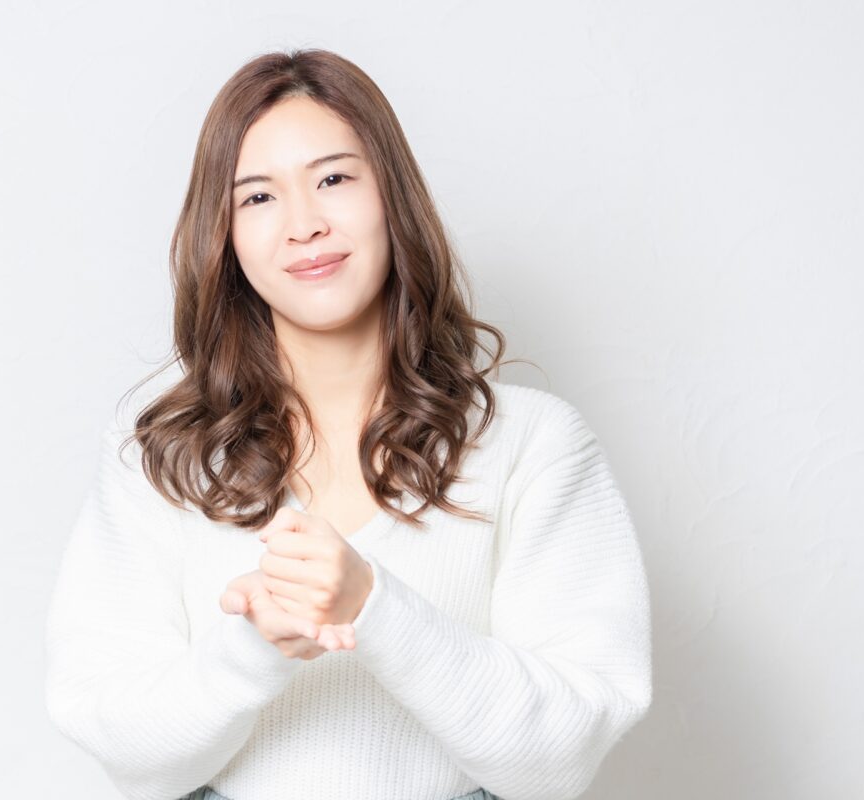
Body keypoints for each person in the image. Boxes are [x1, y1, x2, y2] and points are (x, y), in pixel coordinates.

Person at [43, 48, 652, 800]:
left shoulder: (534, 446)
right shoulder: (161, 459)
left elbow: (559, 760)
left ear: (392, 195)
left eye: (333, 179)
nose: (304, 225)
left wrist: (374, 606)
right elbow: (128, 754)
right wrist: (252, 647)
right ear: (223, 236)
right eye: (257, 197)